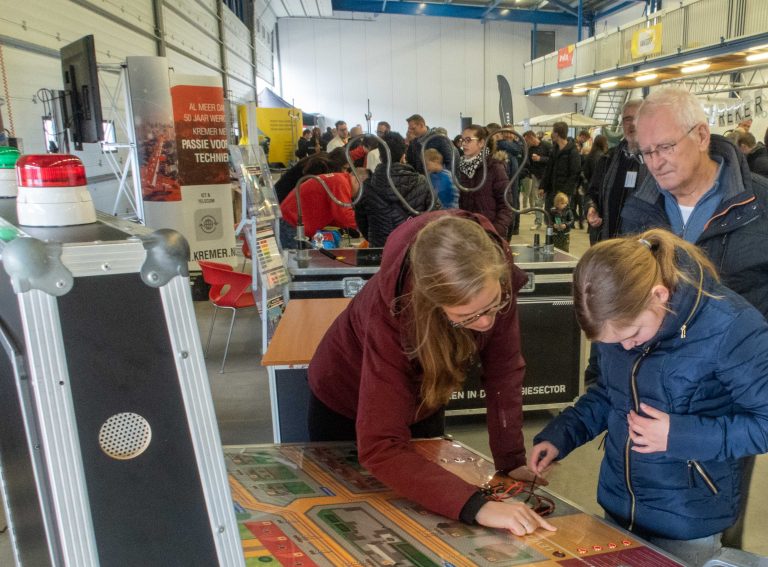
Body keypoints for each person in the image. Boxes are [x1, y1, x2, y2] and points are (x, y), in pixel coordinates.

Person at [308, 210, 557, 535]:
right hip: (344, 401)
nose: (486, 323)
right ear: (432, 305)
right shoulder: (390, 312)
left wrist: (511, 463)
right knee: (358, 526)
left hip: (424, 396)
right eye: (467, 315)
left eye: (493, 303)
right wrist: (476, 507)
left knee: (430, 518)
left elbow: (504, 370)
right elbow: (380, 444)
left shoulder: (490, 269)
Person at [529, 229, 768, 567]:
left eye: (633, 334)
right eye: (614, 343)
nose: (626, 348)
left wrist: (678, 436)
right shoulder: (617, 323)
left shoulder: (731, 327)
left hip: (687, 521)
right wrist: (561, 434)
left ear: (658, 295)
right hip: (618, 505)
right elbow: (608, 393)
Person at [353, 132, 435, 247]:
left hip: (381, 250)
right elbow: (435, 217)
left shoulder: (366, 187)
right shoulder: (422, 182)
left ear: (380, 157)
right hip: (412, 249)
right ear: (403, 155)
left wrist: (377, 237)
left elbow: (362, 223)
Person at [585, 99, 649, 244]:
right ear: (622, 123)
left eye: (637, 118)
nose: (632, 124)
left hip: (643, 250)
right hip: (608, 244)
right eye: (627, 119)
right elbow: (592, 193)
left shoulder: (658, 160)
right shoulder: (607, 159)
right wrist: (591, 208)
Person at [278, 169, 364, 249]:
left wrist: (351, 229)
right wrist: (366, 226)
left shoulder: (339, 180)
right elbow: (344, 215)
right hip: (291, 225)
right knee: (299, 262)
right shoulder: (341, 183)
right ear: (358, 182)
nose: (360, 194)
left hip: (291, 223)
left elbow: (335, 216)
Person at [456, 124, 513, 238]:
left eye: (468, 140)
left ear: (481, 143)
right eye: (462, 140)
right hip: (466, 233)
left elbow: (506, 204)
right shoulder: (458, 167)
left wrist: (495, 231)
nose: (464, 144)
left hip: (489, 233)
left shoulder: (494, 167)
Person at [539, 121, 581, 213]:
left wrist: (565, 192)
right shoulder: (554, 150)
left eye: (553, 132)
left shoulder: (573, 152)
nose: (551, 134)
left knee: (563, 221)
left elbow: (575, 174)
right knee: (549, 219)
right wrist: (542, 186)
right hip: (551, 191)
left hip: (564, 194)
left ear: (557, 134)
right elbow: (548, 170)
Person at [521, 131, 551, 230]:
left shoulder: (547, 145)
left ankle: (549, 222)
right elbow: (528, 164)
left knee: (549, 201)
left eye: (526, 140)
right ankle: (538, 222)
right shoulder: (530, 149)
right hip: (537, 178)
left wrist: (540, 159)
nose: (526, 142)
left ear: (531, 137)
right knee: (538, 201)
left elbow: (552, 160)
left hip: (548, 177)